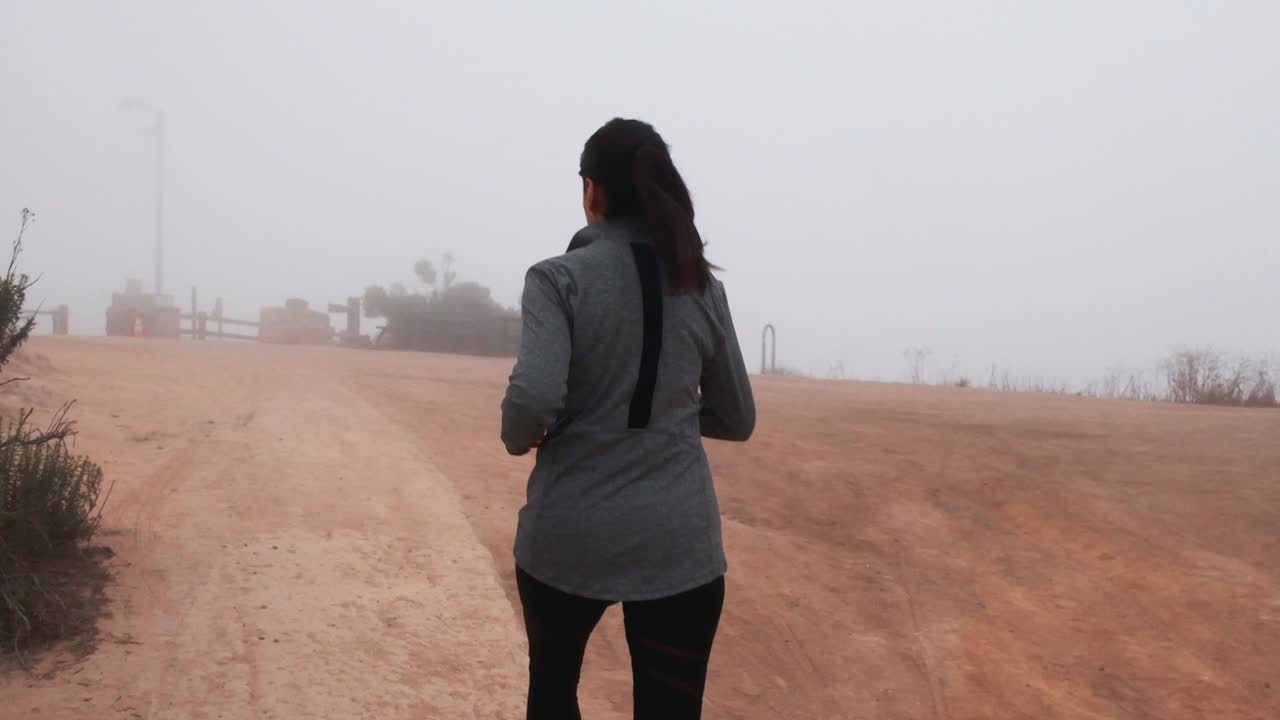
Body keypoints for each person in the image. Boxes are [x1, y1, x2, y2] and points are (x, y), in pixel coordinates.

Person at [501, 118, 756, 720]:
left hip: (568, 537)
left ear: (592, 189)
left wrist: (523, 434)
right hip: (680, 544)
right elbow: (737, 416)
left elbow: (532, 401)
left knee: (554, 695)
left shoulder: (556, 279)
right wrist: (667, 415)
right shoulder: (701, 285)